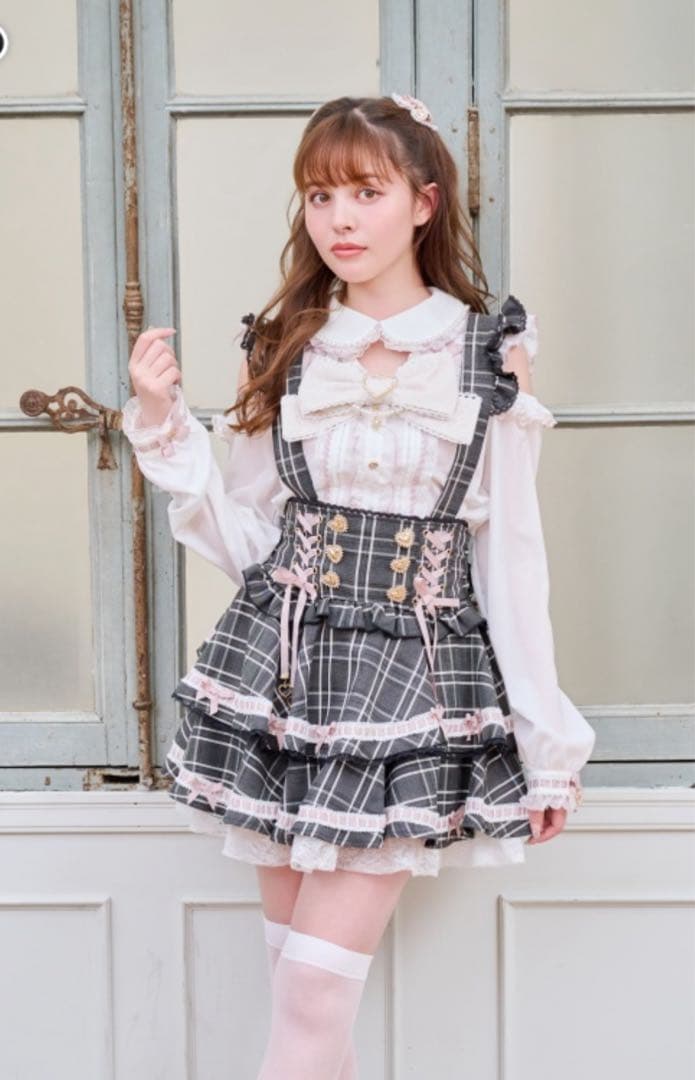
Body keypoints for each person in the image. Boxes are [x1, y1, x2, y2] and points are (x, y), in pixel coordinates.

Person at [122, 93, 596, 1079]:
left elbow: (511, 554)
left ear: (423, 203)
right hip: (280, 679)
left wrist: (546, 742)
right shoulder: (283, 344)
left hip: (409, 685)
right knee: (300, 992)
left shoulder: (487, 351)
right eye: (318, 196)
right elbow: (251, 543)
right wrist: (166, 428)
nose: (337, 219)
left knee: (308, 994)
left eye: (365, 193)